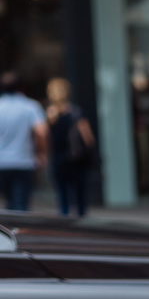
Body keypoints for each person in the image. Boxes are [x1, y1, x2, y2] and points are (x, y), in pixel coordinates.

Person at [46, 78, 95, 218]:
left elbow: (45, 138)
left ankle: (65, 226)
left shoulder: (50, 114)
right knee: (81, 200)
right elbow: (88, 138)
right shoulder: (76, 112)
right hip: (77, 159)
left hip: (59, 159)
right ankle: (82, 228)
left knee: (63, 200)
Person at [0, 72, 47, 212]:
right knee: (21, 205)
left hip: (2, 163)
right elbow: (41, 132)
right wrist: (42, 154)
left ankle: (10, 232)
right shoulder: (31, 106)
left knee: (8, 203)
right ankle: (19, 232)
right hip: (23, 162)